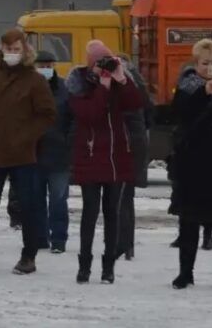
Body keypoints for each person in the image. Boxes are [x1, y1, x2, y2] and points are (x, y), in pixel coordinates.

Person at [0, 29, 55, 275]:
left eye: (16, 50)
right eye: (8, 50)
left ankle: (29, 256)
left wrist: (27, 138)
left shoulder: (35, 80)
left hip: (24, 153)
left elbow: (47, 115)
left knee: (29, 206)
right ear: (1, 51)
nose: (12, 54)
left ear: (24, 51)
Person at [66, 40, 142, 284]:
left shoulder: (119, 82)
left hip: (117, 156)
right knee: (89, 212)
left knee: (112, 213)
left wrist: (121, 79)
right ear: (90, 63)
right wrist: (103, 86)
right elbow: (91, 115)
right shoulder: (78, 84)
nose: (104, 65)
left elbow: (136, 104)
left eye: (107, 60)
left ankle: (108, 266)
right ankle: (84, 265)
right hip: (90, 155)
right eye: (100, 61)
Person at [169, 38, 212, 289]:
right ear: (196, 63)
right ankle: (185, 272)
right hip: (193, 163)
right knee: (189, 221)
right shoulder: (188, 85)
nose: (209, 68)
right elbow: (180, 114)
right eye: (205, 63)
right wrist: (204, 93)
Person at [33, 51, 71, 255]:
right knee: (35, 199)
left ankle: (58, 238)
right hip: (33, 152)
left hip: (59, 154)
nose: (45, 68)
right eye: (41, 64)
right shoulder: (27, 87)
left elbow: (72, 118)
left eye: (48, 64)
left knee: (58, 199)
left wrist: (68, 142)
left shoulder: (64, 89)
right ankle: (39, 237)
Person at [114, 53, 152, 262]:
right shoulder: (138, 84)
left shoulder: (125, 87)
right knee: (126, 198)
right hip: (135, 145)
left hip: (125, 147)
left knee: (119, 198)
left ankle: (122, 243)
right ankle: (127, 245)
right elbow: (148, 114)